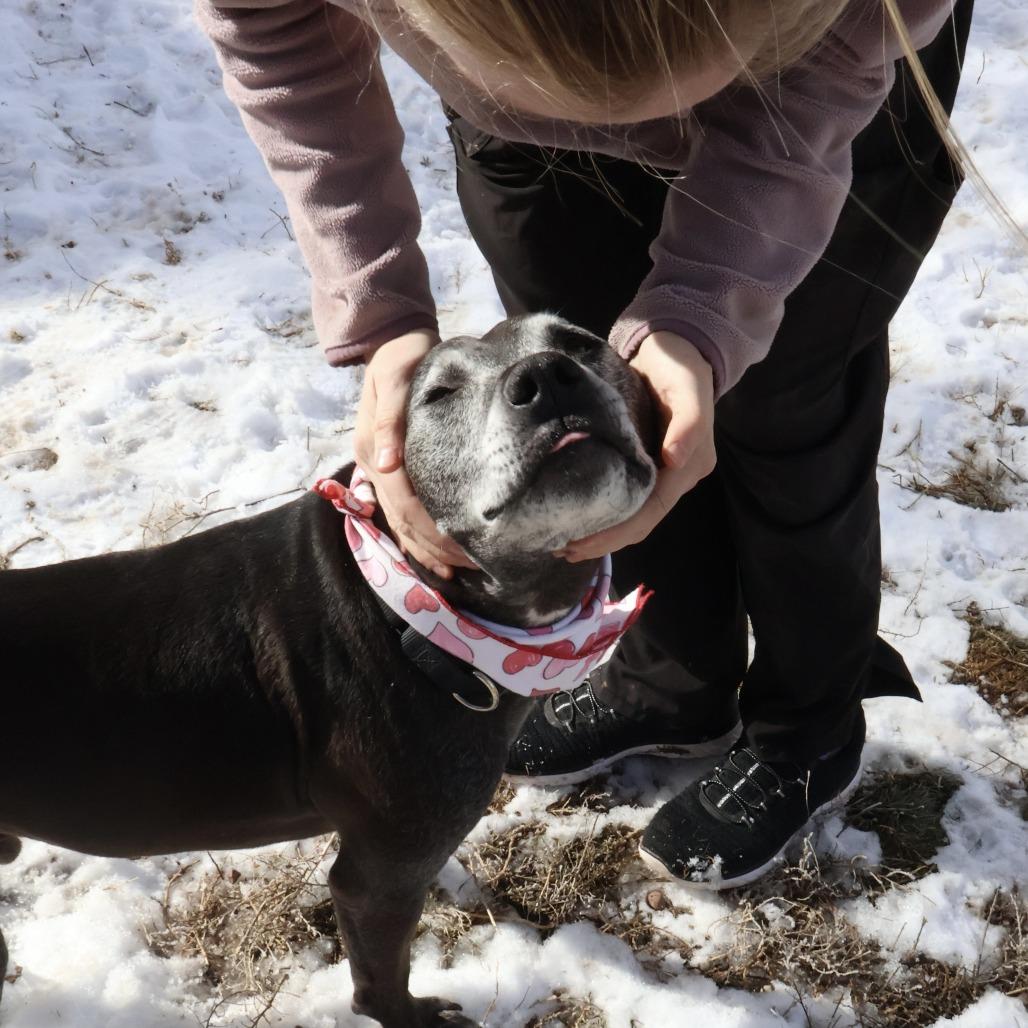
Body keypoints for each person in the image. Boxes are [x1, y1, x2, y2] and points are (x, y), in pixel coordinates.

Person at [196, 0, 977, 887]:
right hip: (513, 127)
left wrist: (703, 314)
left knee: (787, 411)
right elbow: (274, 29)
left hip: (819, 115)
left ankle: (810, 727)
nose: (643, 130)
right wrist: (378, 304)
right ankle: (671, 682)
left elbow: (815, 90)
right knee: (584, 403)